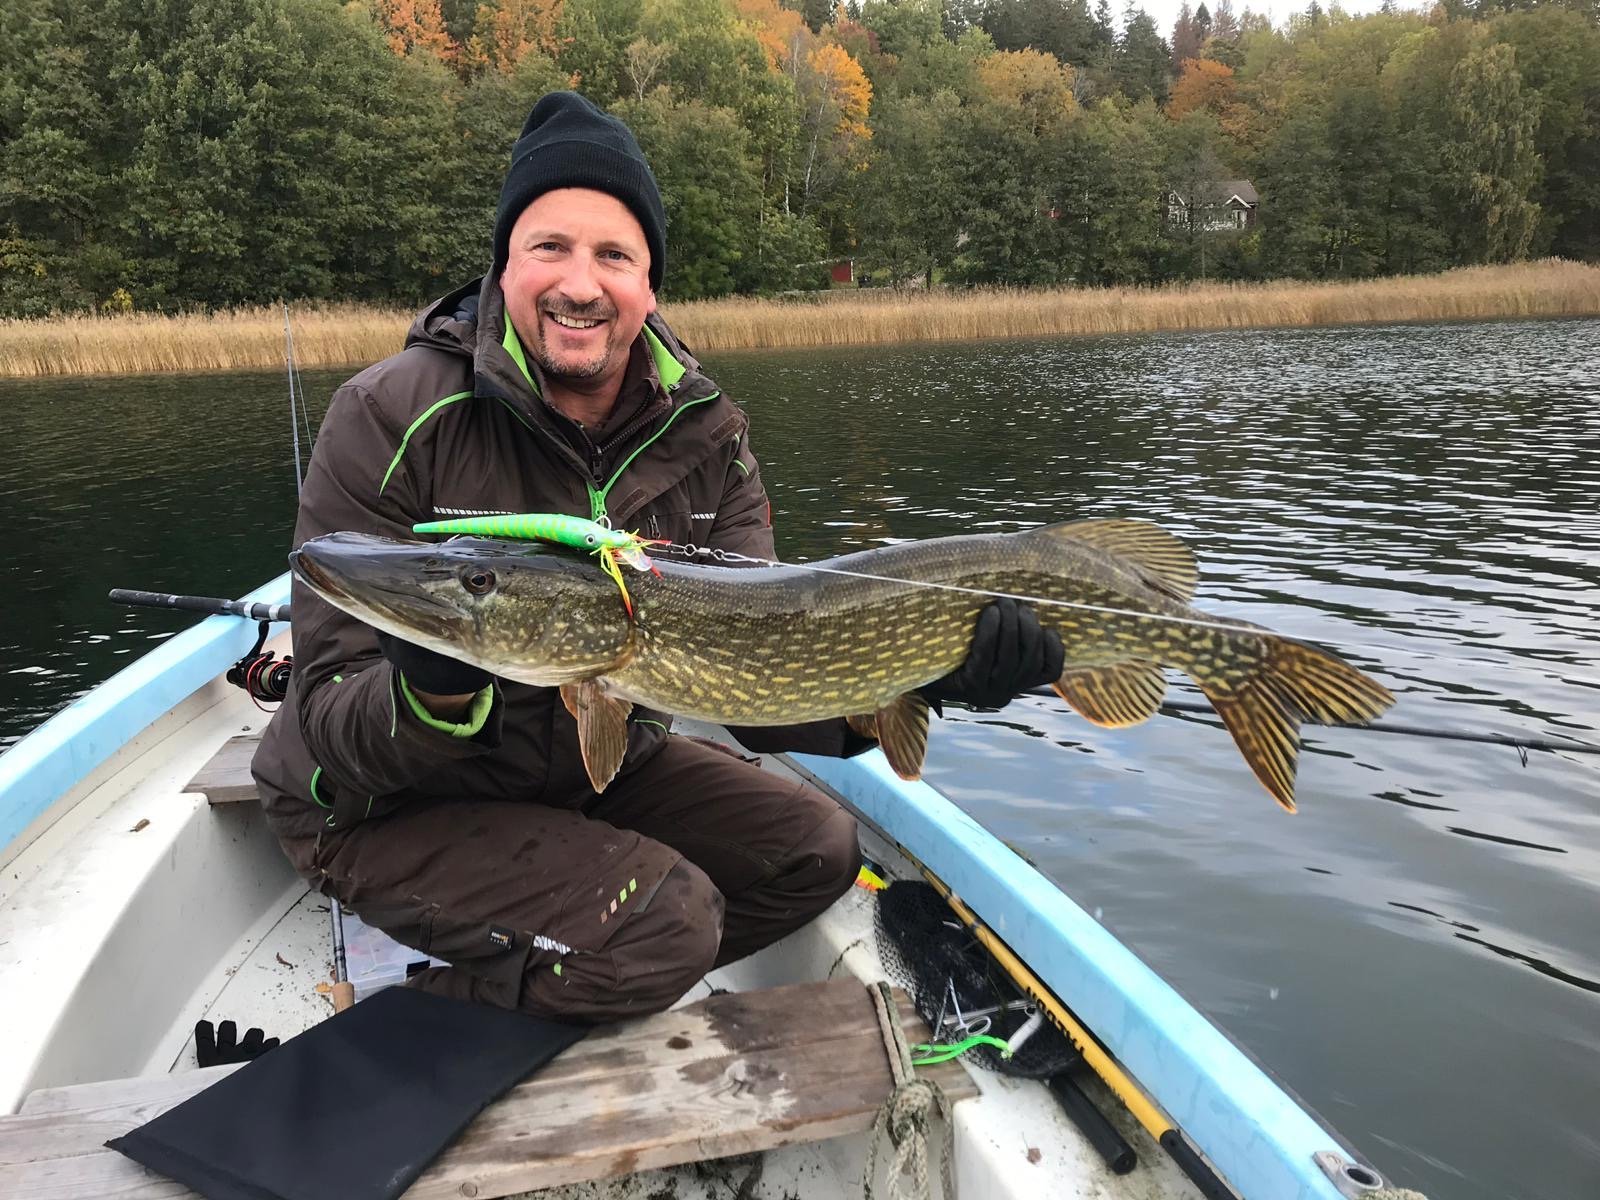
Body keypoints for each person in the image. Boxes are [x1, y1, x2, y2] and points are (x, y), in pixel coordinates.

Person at [252, 91, 1063, 1023]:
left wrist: (924, 677)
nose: (580, 285)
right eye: (549, 246)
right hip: (384, 804)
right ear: (505, 265)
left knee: (818, 851)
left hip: (588, 773)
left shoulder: (707, 435)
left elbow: (768, 670)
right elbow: (326, 717)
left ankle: (575, 963)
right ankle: (433, 1016)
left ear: (648, 283)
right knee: (666, 926)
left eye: (614, 255)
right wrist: (430, 694)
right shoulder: (389, 413)